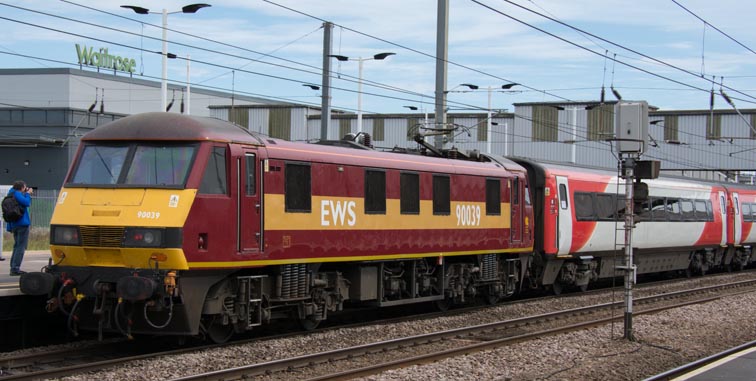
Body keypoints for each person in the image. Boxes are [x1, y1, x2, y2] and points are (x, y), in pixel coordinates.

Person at [6, 180, 32, 276]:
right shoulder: (17, 194)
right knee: (21, 246)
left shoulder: (11, 193)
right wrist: (28, 194)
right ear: (21, 188)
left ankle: (13, 266)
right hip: (22, 223)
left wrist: (24, 193)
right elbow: (27, 203)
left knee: (16, 246)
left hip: (14, 224)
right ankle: (15, 268)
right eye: (24, 187)